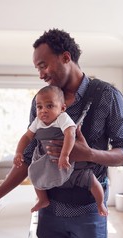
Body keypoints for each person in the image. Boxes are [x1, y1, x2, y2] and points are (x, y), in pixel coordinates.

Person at [0, 28, 123, 238]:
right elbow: (29, 157)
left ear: (65, 57)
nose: (40, 74)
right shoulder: (41, 101)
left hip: (88, 210)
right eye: (37, 68)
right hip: (49, 210)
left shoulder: (107, 96)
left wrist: (89, 154)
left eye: (43, 65)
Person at [13, 85, 108, 216]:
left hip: (68, 161)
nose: (43, 111)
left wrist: (65, 155)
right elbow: (26, 137)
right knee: (35, 174)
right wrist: (19, 152)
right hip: (46, 160)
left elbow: (70, 134)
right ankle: (43, 199)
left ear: (62, 108)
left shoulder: (62, 118)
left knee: (91, 180)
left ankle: (100, 203)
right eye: (39, 107)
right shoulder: (37, 121)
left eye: (49, 106)